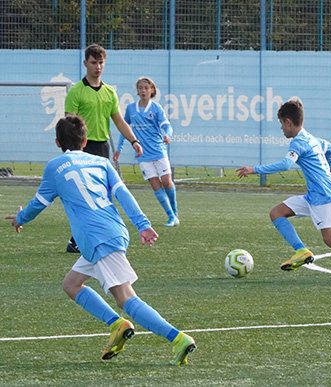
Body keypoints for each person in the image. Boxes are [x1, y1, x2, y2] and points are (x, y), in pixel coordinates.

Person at [5, 115, 196, 365]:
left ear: (57, 142)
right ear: (85, 141)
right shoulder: (101, 162)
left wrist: (20, 219)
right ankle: (116, 324)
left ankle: (179, 338)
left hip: (97, 239)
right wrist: (142, 224)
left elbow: (37, 205)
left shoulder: (54, 167)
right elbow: (122, 194)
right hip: (110, 233)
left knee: (125, 298)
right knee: (71, 284)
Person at [237, 100, 331, 285]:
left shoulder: (299, 142)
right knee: (277, 213)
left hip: (323, 195)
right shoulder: (312, 138)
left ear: (289, 122)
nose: (282, 129)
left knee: (330, 239)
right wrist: (329, 168)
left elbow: (285, 165)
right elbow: (328, 147)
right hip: (313, 195)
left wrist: (254, 169)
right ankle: (301, 251)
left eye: (282, 124)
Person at [64, 43, 143, 253]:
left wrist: (134, 141)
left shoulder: (109, 92)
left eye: (101, 63)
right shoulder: (76, 92)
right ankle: (77, 239)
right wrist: (71, 150)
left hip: (102, 148)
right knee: (83, 195)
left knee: (104, 194)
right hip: (81, 148)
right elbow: (68, 123)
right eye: (93, 62)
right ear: (85, 63)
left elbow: (119, 122)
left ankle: (86, 238)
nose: (98, 67)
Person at [113, 77, 179, 227]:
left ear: (152, 91)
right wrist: (119, 150)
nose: (143, 91)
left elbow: (167, 126)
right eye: (140, 88)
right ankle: (170, 217)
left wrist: (168, 135)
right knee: (155, 185)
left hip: (158, 151)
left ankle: (175, 212)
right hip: (143, 155)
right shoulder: (131, 109)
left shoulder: (156, 109)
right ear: (137, 91)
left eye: (146, 88)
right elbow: (124, 130)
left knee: (167, 182)